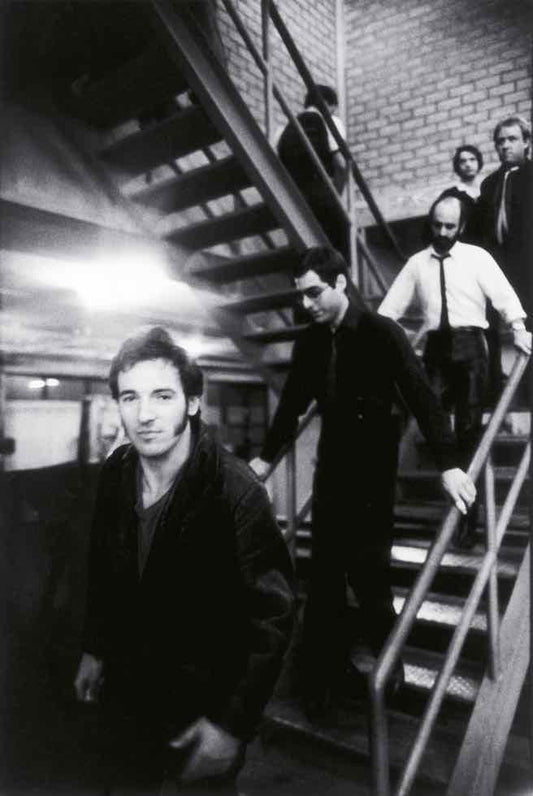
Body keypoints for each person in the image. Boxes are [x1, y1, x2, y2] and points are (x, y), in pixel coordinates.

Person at [250, 247, 476, 717]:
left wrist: (449, 463)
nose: (307, 304)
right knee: (326, 579)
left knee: (370, 577)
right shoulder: (310, 343)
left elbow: (421, 396)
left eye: (314, 293)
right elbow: (291, 405)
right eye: (302, 296)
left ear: (340, 283)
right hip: (331, 471)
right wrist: (263, 459)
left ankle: (389, 668)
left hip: (373, 476)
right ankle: (321, 687)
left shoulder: (381, 333)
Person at [74, 327, 294, 795]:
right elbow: (103, 567)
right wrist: (95, 647)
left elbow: (272, 619)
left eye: (162, 396)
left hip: (201, 704)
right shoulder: (116, 472)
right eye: (130, 398)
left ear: (192, 403)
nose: (145, 415)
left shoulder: (237, 491)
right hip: (129, 691)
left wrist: (232, 725)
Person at [379, 194, 530, 548]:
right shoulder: (417, 263)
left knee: (467, 433)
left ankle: (467, 523)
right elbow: (388, 311)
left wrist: (519, 326)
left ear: (461, 226)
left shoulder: (477, 258)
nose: (443, 232)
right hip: (435, 349)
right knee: (429, 423)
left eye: (450, 226)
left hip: (471, 348)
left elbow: (504, 295)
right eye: (437, 225)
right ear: (430, 224)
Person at [276, 85, 349, 260]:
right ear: (326, 103)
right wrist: (337, 196)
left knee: (302, 247)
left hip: (292, 195)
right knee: (337, 242)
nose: (332, 113)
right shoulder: (330, 122)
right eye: (333, 108)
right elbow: (341, 164)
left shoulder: (285, 127)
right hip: (319, 193)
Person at [477, 115, 533, 317]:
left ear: (526, 142)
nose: (505, 145)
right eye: (500, 141)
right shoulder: (489, 184)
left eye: (512, 139)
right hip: (498, 265)